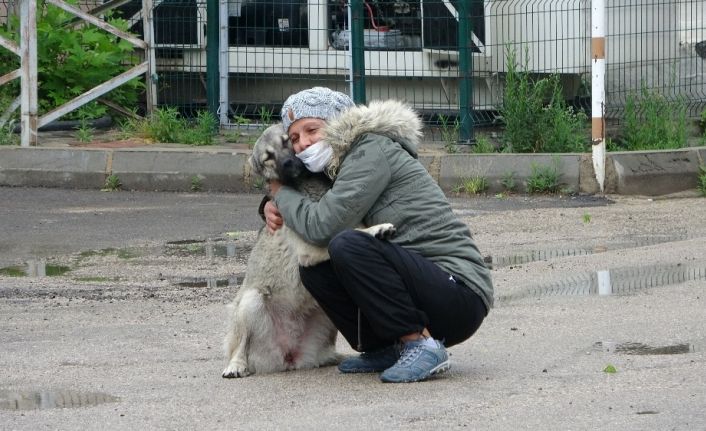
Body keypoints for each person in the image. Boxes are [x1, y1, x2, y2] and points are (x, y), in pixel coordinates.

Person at [263, 86, 493, 383]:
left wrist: (279, 193)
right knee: (316, 269)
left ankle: (420, 344)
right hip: (421, 284)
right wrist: (268, 203)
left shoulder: (369, 150)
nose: (303, 143)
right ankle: (385, 347)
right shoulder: (340, 162)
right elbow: (311, 192)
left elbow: (322, 227)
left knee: (347, 244)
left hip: (459, 293)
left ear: (338, 122)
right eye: (294, 138)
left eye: (312, 130)